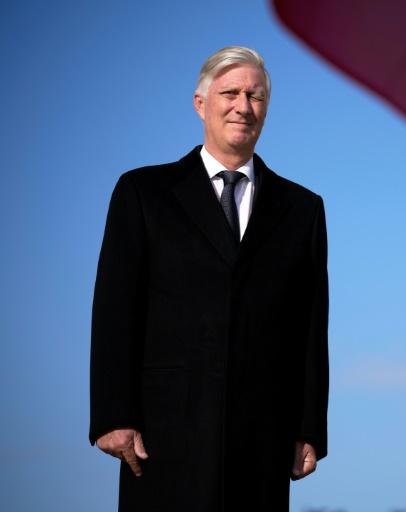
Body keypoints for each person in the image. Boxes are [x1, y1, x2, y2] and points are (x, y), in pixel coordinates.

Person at [89, 46, 329, 512]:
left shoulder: (303, 209)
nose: (244, 106)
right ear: (201, 103)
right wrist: (112, 415)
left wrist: (308, 428)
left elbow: (310, 325)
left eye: (256, 96)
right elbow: (116, 309)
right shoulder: (143, 192)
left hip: (263, 434)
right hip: (162, 434)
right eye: (230, 93)